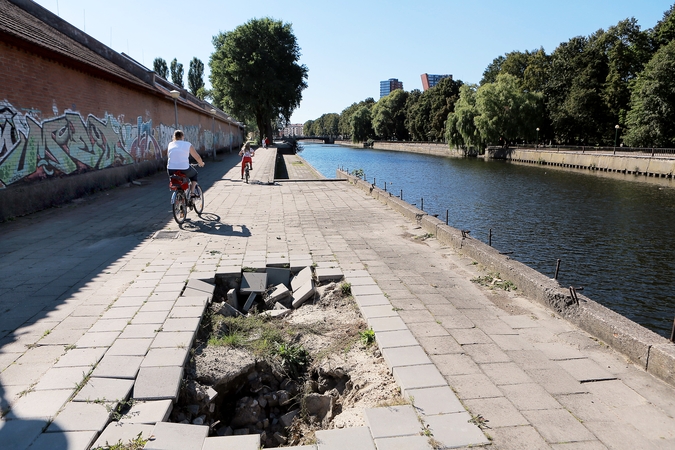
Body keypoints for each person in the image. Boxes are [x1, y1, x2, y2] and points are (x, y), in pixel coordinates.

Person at [167, 130, 204, 198]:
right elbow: (197, 156)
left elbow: (170, 156)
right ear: (182, 136)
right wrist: (201, 163)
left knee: (177, 179)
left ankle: (180, 195)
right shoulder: (187, 144)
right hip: (184, 168)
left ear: (174, 137)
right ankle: (192, 193)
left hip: (171, 169)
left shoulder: (170, 144)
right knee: (194, 174)